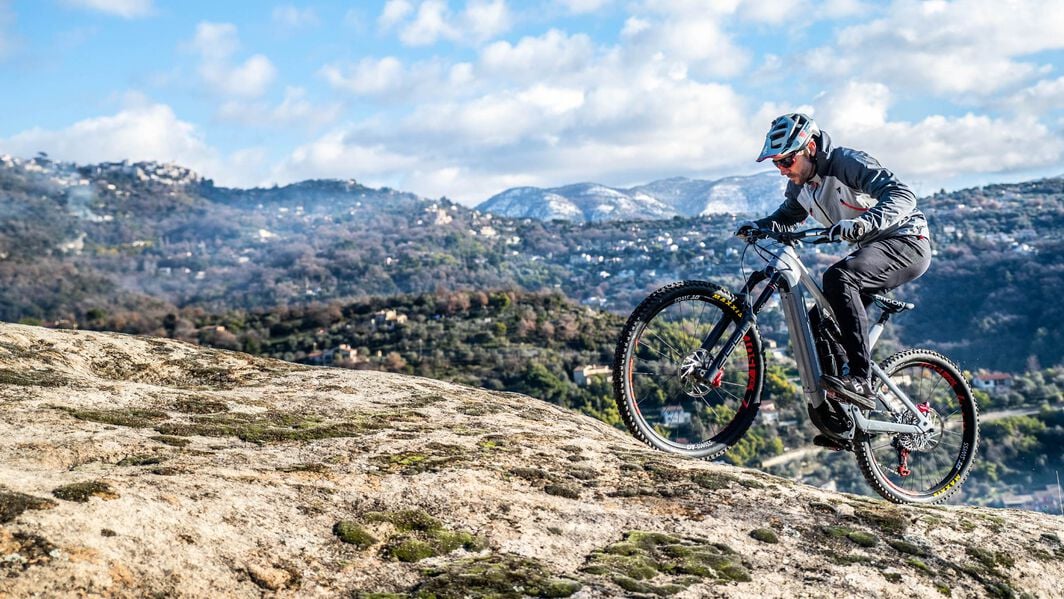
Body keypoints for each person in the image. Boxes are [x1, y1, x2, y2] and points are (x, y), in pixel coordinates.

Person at [736, 113, 931, 410]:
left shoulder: (847, 163)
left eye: (786, 161)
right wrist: (761, 225)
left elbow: (902, 195)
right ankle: (843, 416)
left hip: (907, 241)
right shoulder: (800, 184)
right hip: (871, 248)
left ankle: (860, 381)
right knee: (817, 323)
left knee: (839, 277)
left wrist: (866, 223)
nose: (782, 171)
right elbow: (788, 217)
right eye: (776, 163)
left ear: (810, 149)